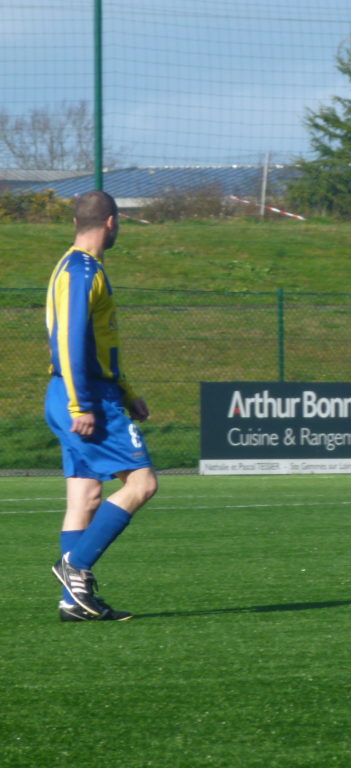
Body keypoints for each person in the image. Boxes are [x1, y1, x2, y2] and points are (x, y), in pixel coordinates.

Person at [46, 190, 158, 622]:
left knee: (86, 496)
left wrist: (128, 390)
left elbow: (95, 343)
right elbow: (70, 342)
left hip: (76, 391)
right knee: (142, 484)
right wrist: (82, 405)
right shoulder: (81, 271)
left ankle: (71, 603)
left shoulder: (72, 265)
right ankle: (75, 566)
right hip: (85, 395)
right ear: (111, 222)